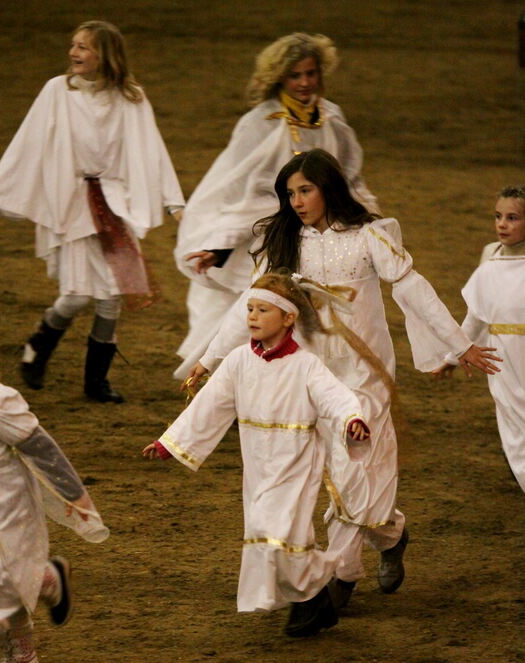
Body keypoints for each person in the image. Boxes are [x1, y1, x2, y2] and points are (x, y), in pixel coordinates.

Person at [184, 149, 501, 608]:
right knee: (338, 476)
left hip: (366, 378)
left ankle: (341, 577)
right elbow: (249, 305)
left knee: (352, 469)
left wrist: (459, 344)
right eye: (290, 193)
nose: (296, 201)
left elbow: (413, 289)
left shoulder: (370, 237)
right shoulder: (284, 244)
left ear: (328, 188)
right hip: (310, 380)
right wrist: (210, 358)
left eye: (305, 190)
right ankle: (391, 534)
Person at [144, 273, 371, 637]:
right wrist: (170, 443)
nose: (252, 316)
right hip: (258, 463)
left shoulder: (306, 365)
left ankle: (310, 600)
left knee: (277, 530)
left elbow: (336, 397)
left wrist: (351, 420)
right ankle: (313, 601)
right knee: (270, 532)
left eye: (262, 310)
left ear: (288, 318)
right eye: (250, 308)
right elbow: (210, 405)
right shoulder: (237, 362)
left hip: (296, 461)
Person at [0, 20, 184, 403]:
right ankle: (38, 345)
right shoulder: (57, 91)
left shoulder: (130, 98)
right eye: (73, 45)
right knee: (80, 294)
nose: (73, 53)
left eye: (83, 47)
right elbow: (29, 142)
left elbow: (151, 150)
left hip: (115, 204)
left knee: (112, 295)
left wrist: (175, 202)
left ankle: (96, 382)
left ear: (105, 55)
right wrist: (7, 190)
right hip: (73, 203)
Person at [173, 32, 378, 378]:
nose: (304, 82)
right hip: (268, 238)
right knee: (257, 313)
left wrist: (368, 221)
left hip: (320, 237)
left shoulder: (332, 118)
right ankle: (227, 383)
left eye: (310, 73)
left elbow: (349, 176)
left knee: (310, 316)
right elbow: (238, 190)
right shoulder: (260, 123)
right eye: (295, 75)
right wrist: (220, 246)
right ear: (279, 76)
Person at [0, 376, 108, 663]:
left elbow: (43, 450)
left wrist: (75, 497)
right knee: (0, 581)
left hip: (5, 501)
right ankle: (22, 658)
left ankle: (45, 580)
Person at [433, 185, 524, 491]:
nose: (502, 224)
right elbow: (475, 319)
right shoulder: (489, 270)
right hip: (504, 362)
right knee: (514, 425)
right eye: (498, 216)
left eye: (513, 217)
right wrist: (452, 358)